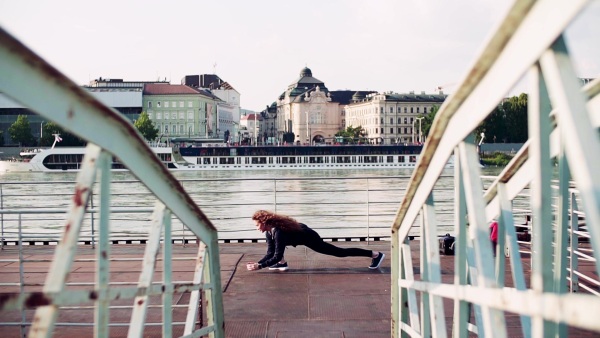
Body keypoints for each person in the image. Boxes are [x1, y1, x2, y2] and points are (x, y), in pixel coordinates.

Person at [246, 210, 385, 271]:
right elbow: (271, 253)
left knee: (339, 252)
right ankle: (282, 264)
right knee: (277, 249)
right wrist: (258, 263)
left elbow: (275, 255)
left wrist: (260, 266)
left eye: (257, 225)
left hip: (308, 237)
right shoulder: (269, 232)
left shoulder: (278, 232)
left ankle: (375, 254)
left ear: (264, 222)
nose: (257, 228)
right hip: (296, 234)